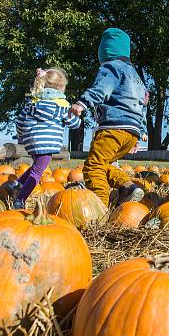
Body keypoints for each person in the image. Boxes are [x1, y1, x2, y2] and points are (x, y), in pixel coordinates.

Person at [69, 28, 148, 206]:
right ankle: (127, 187)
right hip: (131, 133)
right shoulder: (137, 78)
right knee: (103, 165)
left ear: (105, 51)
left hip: (113, 128)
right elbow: (143, 106)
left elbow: (101, 89)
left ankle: (100, 207)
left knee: (93, 167)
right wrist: (139, 133)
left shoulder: (111, 68)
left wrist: (82, 103)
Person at [13, 68, 82, 209]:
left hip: (31, 141)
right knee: (37, 173)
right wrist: (78, 118)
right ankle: (19, 200)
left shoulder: (32, 103)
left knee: (36, 166)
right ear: (59, 87)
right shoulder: (62, 105)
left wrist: (21, 136)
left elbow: (19, 122)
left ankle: (17, 184)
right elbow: (74, 124)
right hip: (47, 143)